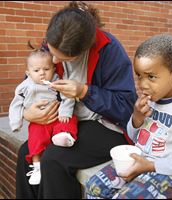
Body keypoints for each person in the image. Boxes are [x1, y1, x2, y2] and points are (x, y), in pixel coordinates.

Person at [15, 1, 137, 199]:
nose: (53, 62)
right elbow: (31, 82)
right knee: (26, 153)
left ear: (83, 50)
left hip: (107, 125)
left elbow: (125, 107)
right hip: (68, 120)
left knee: (54, 159)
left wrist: (84, 92)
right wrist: (27, 112)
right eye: (51, 52)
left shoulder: (109, 50)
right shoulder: (54, 41)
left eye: (63, 58)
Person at [85, 34, 172, 199]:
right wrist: (137, 119)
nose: (142, 85)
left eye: (151, 77)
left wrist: (152, 165)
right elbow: (134, 137)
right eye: (139, 76)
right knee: (93, 186)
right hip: (141, 163)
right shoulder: (151, 100)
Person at [9, 45, 78, 185]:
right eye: (36, 70)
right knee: (35, 138)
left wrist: (64, 112)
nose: (42, 73)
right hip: (38, 121)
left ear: (53, 69)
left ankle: (64, 136)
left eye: (46, 69)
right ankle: (37, 167)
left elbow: (68, 97)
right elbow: (16, 104)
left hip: (58, 115)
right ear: (28, 73)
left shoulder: (57, 81)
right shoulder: (24, 86)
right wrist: (16, 122)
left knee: (69, 120)